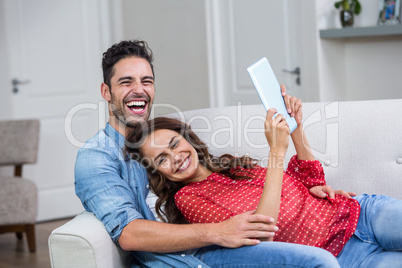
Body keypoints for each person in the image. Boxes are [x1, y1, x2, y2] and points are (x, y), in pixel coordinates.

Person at [75, 39, 342, 267]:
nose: (139, 89)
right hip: (197, 256)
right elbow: (129, 233)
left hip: (215, 246)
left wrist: (308, 190)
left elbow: (227, 189)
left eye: (147, 81)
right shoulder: (96, 157)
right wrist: (218, 232)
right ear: (106, 92)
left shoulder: (161, 138)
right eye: (126, 82)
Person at [126, 96, 402, 267]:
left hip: (360, 212)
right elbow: (262, 232)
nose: (175, 157)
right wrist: (276, 153)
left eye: (175, 143)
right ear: (157, 172)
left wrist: (295, 128)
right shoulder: (188, 199)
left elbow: (311, 178)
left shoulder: (230, 164)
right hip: (343, 255)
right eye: (162, 159)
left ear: (187, 138)